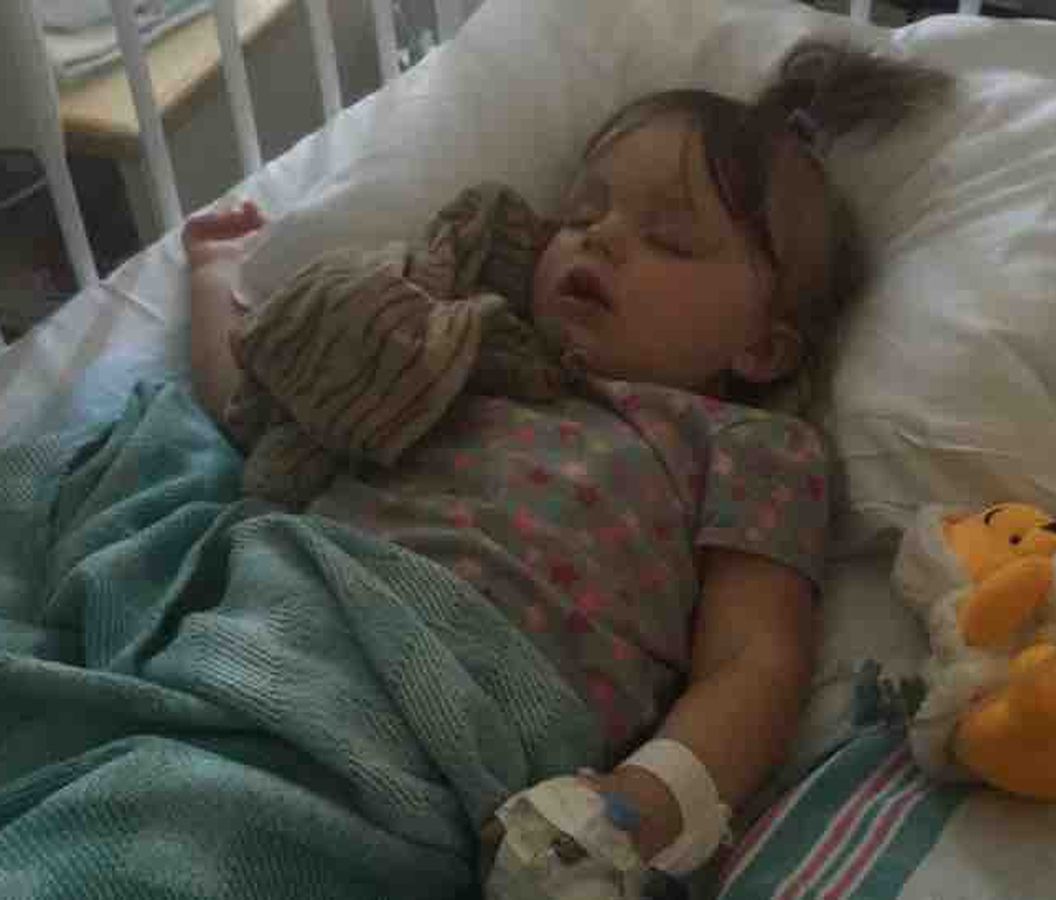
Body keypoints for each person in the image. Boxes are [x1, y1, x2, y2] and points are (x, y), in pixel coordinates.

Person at [184, 39, 949, 881]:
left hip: (476, 709)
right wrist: (216, 278)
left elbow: (756, 662)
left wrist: (632, 812)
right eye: (582, 214)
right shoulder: (459, 348)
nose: (602, 238)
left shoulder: (748, 447)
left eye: (671, 239)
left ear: (763, 349)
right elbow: (258, 408)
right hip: (283, 620)